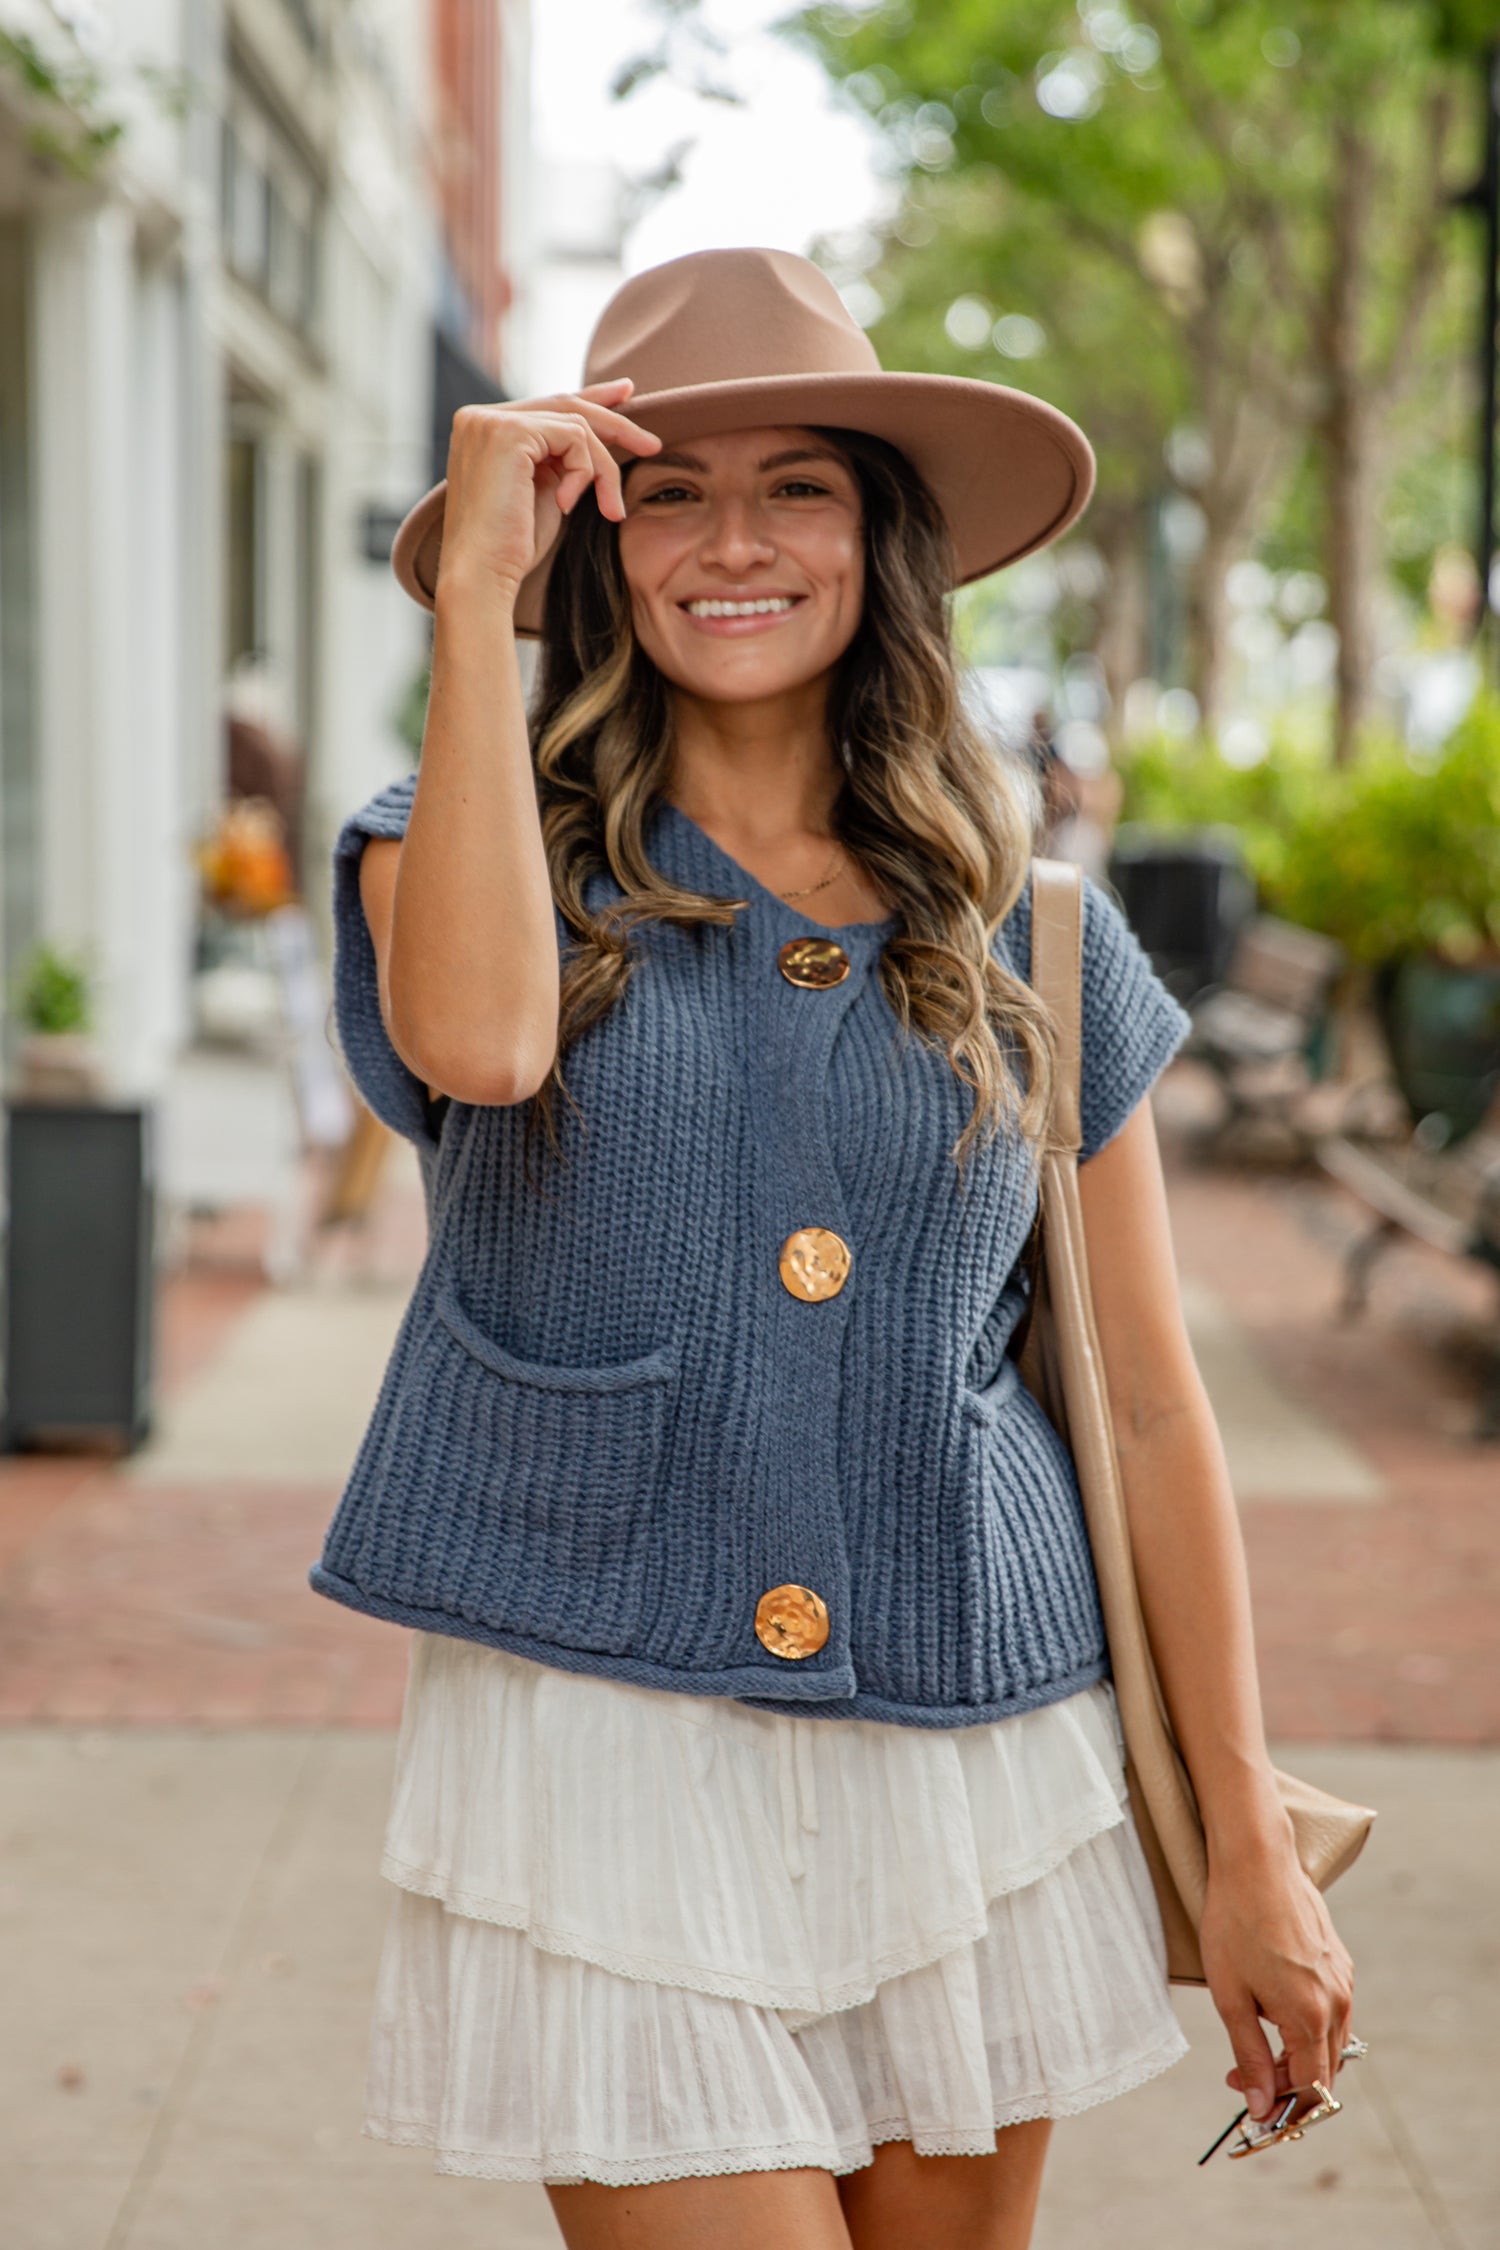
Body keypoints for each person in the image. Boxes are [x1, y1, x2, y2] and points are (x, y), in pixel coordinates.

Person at [311, 248, 1354, 2249]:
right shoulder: (450, 844)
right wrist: (470, 597)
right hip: (605, 1752)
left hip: (972, 1745)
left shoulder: (1024, 922)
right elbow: (479, 1041)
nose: (733, 543)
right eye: (668, 493)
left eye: (799, 487)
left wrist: (1248, 1847)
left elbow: (1144, 1403)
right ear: (590, 548)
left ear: (881, 543)